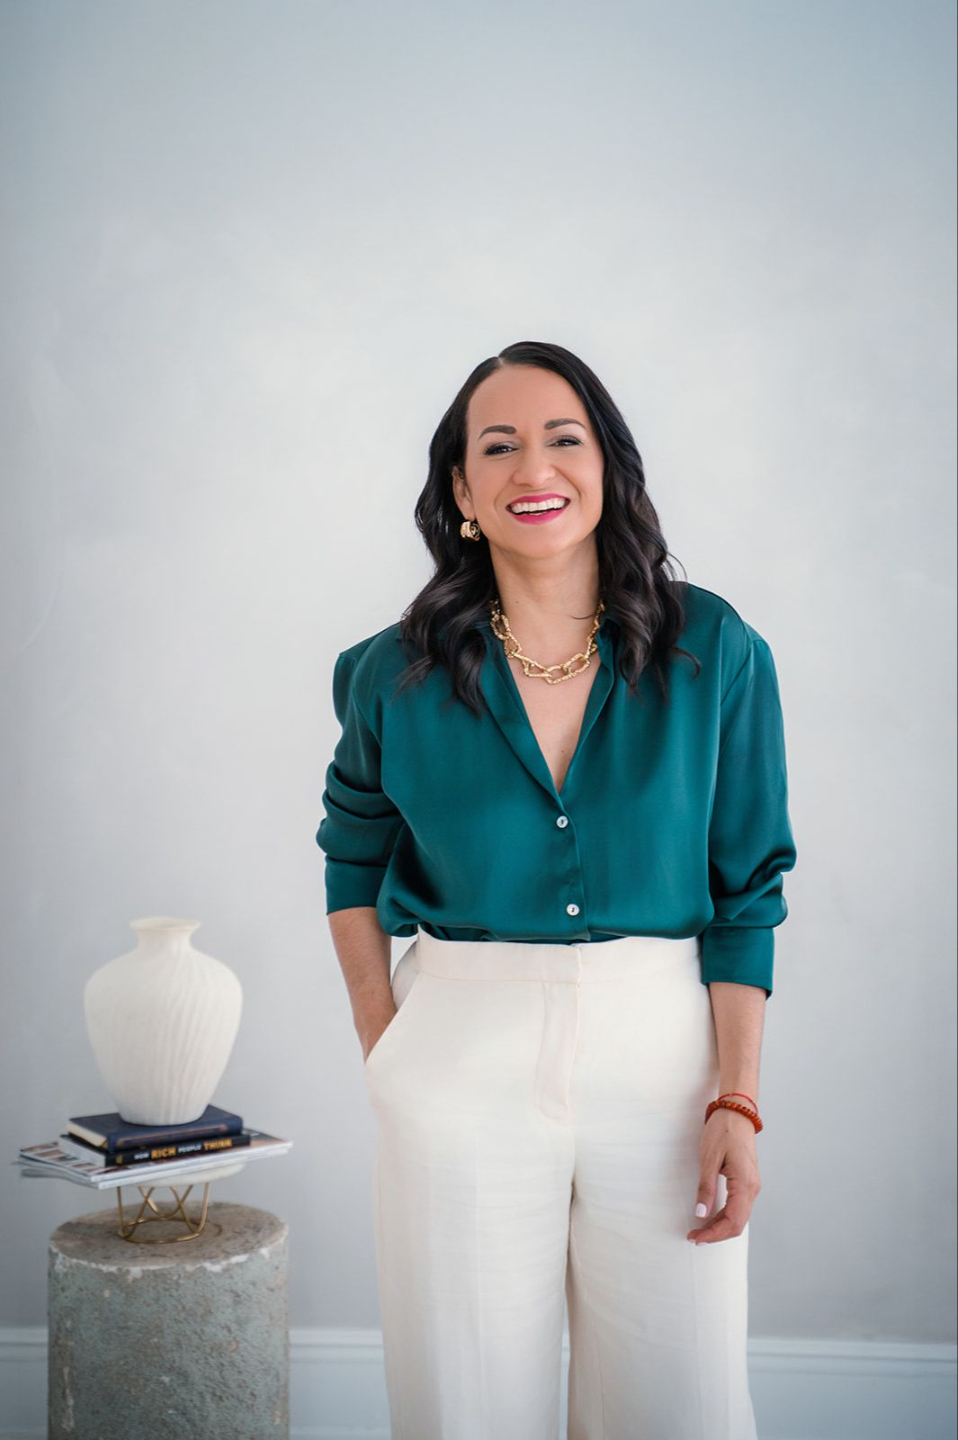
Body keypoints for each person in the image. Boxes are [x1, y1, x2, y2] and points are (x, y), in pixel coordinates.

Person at [315, 340, 797, 1440]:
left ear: (607, 466)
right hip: (457, 1051)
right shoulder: (388, 673)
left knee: (679, 1408)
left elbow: (746, 893)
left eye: (563, 438)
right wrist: (386, 1044)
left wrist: (736, 1098)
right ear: (461, 492)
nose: (534, 468)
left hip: (666, 1059)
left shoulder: (715, 649)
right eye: (499, 446)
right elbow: (351, 856)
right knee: (465, 1406)